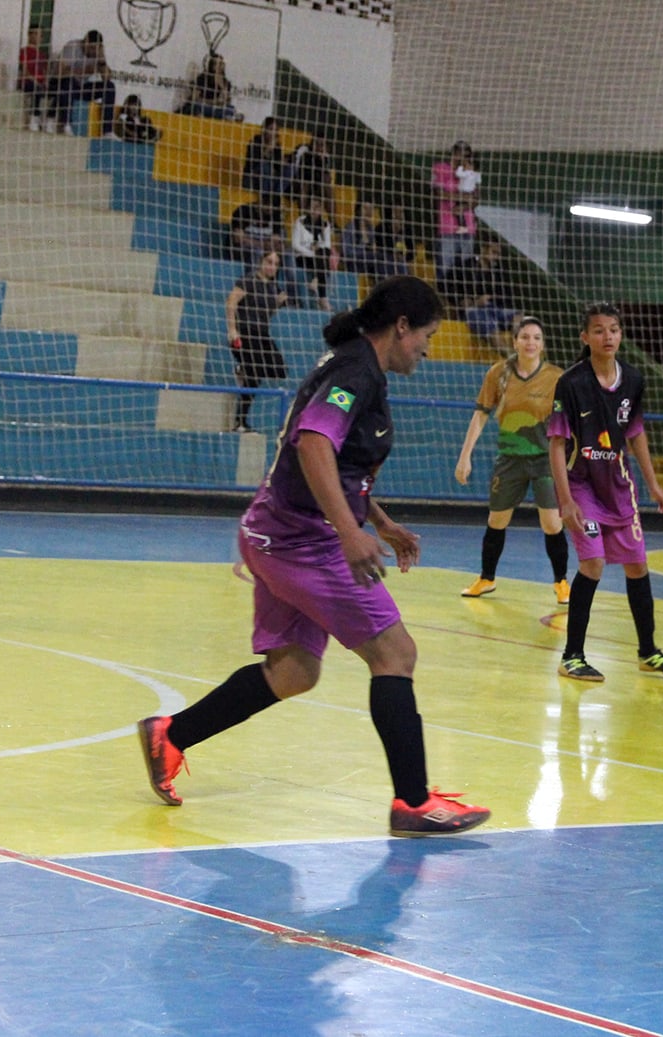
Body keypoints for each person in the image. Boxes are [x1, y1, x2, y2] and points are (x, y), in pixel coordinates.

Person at [136, 275, 491, 837]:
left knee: (294, 671)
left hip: (272, 533)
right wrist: (350, 532)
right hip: (304, 542)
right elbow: (314, 443)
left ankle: (170, 736)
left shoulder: (354, 365)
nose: (427, 347)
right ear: (401, 327)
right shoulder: (354, 373)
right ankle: (413, 802)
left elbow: (341, 466)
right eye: (426, 335)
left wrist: (379, 521)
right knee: (395, 653)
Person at [548, 303, 663, 682]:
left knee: (637, 565)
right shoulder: (572, 382)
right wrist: (565, 500)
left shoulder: (633, 380)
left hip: (618, 486)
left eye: (613, 329)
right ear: (585, 337)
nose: (607, 336)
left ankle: (649, 651)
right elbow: (557, 443)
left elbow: (635, 433)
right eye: (598, 330)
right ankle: (572, 656)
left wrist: (654, 484)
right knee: (593, 563)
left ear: (621, 335)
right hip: (581, 486)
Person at [453, 316, 570, 604]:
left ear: (543, 344)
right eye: (525, 337)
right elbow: (481, 414)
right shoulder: (498, 373)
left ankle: (561, 582)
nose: (531, 342)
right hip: (509, 459)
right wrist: (465, 456)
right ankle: (487, 578)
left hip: (544, 460)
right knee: (497, 520)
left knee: (552, 523)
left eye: (536, 338)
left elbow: (570, 422)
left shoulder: (557, 377)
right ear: (515, 341)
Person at [225, 250, 289, 432]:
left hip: (261, 334)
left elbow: (266, 314)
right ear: (261, 262)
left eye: (276, 264)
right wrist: (232, 330)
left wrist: (277, 303)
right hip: (245, 333)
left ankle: (242, 369)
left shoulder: (273, 288)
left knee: (280, 369)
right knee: (254, 377)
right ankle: (240, 422)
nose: (272, 267)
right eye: (269, 262)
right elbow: (231, 302)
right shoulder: (249, 280)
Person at [452, 238, 518, 355]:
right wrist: (475, 302)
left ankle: (519, 348)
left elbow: (507, 296)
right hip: (474, 310)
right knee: (489, 324)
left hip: (493, 307)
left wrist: (493, 299)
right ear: (483, 249)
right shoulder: (466, 267)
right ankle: (512, 357)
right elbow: (452, 291)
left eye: (498, 254)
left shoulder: (498, 272)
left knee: (518, 316)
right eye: (494, 252)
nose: (496, 257)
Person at [50, 29, 115, 138]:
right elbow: (60, 72)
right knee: (69, 81)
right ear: (85, 42)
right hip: (60, 83)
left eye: (95, 49)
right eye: (91, 48)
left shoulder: (97, 54)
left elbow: (107, 78)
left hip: (79, 86)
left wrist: (102, 59)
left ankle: (107, 131)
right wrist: (82, 71)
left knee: (109, 87)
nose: (92, 52)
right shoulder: (72, 47)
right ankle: (65, 124)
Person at [432, 141, 478, 280]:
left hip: (468, 227)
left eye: (467, 156)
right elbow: (439, 194)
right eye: (461, 155)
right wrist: (464, 197)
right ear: (454, 154)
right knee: (445, 268)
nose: (464, 159)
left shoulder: (470, 171)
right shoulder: (441, 168)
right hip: (448, 227)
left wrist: (464, 206)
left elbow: (476, 199)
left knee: (466, 269)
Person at [341, 201, 407, 281]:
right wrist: (365, 252)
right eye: (365, 208)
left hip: (370, 262)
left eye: (371, 209)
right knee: (383, 257)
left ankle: (397, 283)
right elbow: (347, 252)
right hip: (354, 262)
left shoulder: (371, 229)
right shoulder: (351, 227)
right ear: (359, 211)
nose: (368, 212)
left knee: (390, 261)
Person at [291, 196, 336, 311]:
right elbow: (295, 245)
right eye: (312, 207)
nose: (315, 210)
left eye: (318, 207)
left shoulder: (325, 224)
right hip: (303, 257)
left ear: (321, 209)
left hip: (318, 259)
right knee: (322, 257)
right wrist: (311, 252)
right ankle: (323, 299)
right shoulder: (300, 221)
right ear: (307, 208)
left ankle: (317, 283)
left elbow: (327, 245)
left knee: (325, 252)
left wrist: (318, 250)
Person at [178, 53, 243, 122]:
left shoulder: (226, 82)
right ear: (212, 66)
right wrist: (213, 102)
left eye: (222, 64)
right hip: (204, 106)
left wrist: (222, 86)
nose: (220, 67)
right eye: (218, 64)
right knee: (197, 107)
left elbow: (227, 101)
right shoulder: (203, 78)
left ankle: (227, 118)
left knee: (231, 109)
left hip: (217, 108)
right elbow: (194, 98)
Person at [243, 118, 288, 213]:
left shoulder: (277, 146)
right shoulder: (255, 142)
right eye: (271, 129)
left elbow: (277, 167)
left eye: (275, 130)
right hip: (252, 179)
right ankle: (264, 201)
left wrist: (282, 163)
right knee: (265, 167)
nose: (273, 133)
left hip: (270, 179)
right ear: (264, 129)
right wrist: (268, 149)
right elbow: (254, 163)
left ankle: (275, 198)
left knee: (290, 170)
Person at [227, 198, 283, 265]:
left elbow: (276, 241)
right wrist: (263, 245)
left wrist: (275, 246)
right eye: (268, 207)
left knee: (286, 252)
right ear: (260, 202)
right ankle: (254, 272)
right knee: (258, 251)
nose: (271, 210)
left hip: (264, 249)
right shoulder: (244, 211)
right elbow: (237, 239)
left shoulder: (275, 215)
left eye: (274, 208)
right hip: (242, 249)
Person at [17, 26, 51, 132]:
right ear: (30, 35)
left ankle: (50, 120)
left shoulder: (42, 55)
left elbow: (44, 72)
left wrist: (45, 82)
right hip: (28, 82)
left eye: (40, 35)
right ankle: (34, 116)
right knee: (36, 88)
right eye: (36, 34)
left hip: (39, 83)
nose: (39, 37)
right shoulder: (24, 51)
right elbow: (25, 71)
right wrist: (35, 81)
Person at [289, 134, 333, 211]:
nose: (319, 147)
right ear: (312, 144)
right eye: (316, 143)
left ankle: (333, 218)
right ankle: (303, 216)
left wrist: (322, 162)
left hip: (315, 187)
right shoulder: (304, 152)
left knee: (327, 187)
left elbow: (328, 179)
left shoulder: (326, 157)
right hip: (296, 184)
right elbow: (303, 174)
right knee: (305, 184)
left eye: (322, 145)